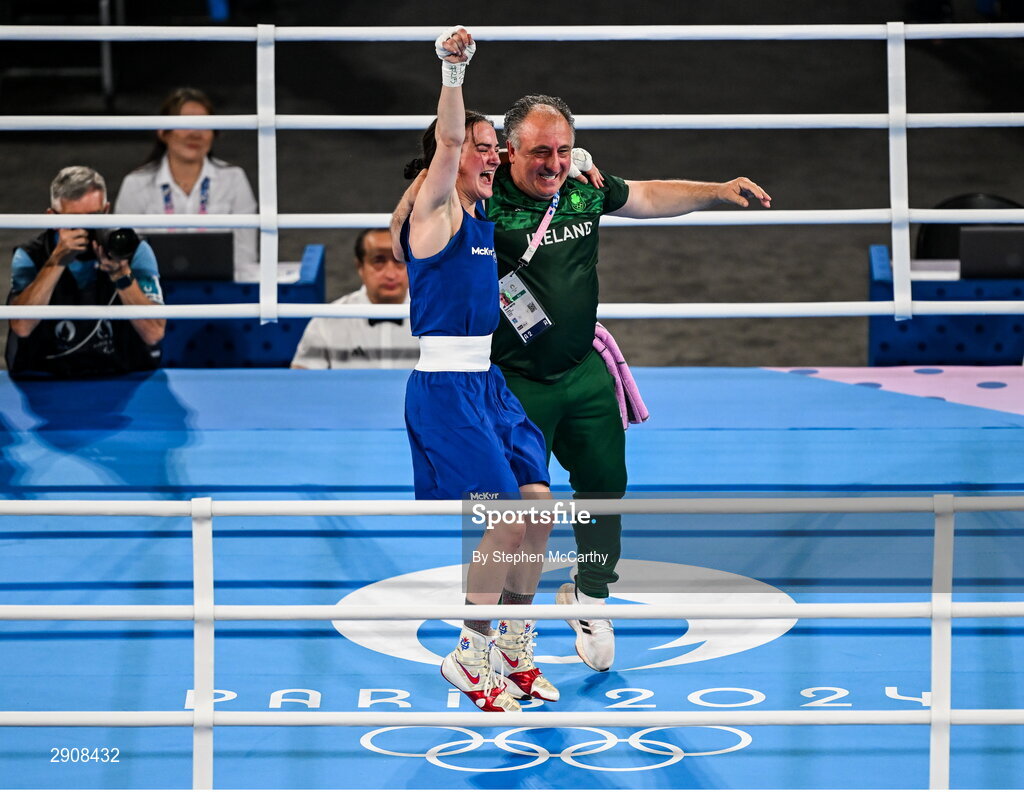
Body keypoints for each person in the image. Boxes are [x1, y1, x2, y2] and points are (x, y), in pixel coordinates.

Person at [489, 94, 772, 673]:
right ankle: (506, 629)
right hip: (513, 382)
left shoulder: (583, 186)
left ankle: (589, 592)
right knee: (520, 513)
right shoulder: (480, 196)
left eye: (563, 150)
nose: (553, 163)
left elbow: (644, 195)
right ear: (507, 150)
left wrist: (715, 191)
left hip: (583, 371)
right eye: (540, 151)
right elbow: (425, 194)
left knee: (603, 488)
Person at [393, 27, 558, 713]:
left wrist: (564, 172)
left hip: (488, 385)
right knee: (506, 521)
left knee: (540, 510)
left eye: (496, 150)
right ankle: (470, 648)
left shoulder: (484, 216)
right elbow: (452, 142)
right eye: (480, 148)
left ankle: (513, 642)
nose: (489, 157)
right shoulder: (433, 212)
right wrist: (453, 71)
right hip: (444, 389)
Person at [6, 166, 165, 377]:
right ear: (52, 218)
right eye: (74, 220)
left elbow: (154, 332)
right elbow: (21, 327)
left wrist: (121, 276)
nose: (86, 229)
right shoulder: (31, 256)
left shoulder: (132, 250)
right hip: (47, 376)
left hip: (120, 375)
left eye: (93, 217)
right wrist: (56, 262)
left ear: (107, 211)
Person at [114, 87, 258, 275]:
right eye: (186, 123)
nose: (195, 134)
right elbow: (125, 255)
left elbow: (246, 254)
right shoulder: (136, 183)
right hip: (155, 292)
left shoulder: (234, 179)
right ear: (163, 131)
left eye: (203, 125)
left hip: (218, 292)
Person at [291, 229, 418, 369]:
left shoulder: (435, 317)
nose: (391, 274)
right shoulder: (327, 320)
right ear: (360, 266)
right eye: (378, 262)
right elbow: (301, 381)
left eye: (399, 261)